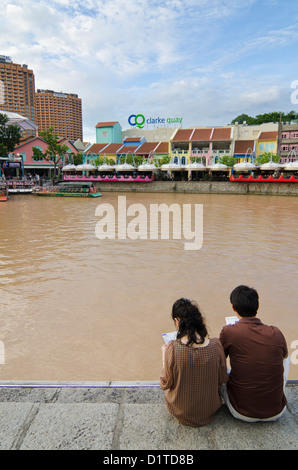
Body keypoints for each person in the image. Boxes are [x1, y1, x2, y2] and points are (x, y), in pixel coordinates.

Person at [220, 285, 289, 422]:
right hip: (277, 411)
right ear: (257, 307)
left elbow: (218, 360)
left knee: (216, 363)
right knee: (284, 358)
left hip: (240, 411)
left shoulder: (229, 331)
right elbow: (283, 358)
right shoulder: (276, 332)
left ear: (234, 308)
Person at [160, 298, 228, 427]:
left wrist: (164, 356)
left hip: (180, 412)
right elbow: (223, 379)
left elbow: (165, 383)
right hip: (210, 410)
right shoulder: (216, 345)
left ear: (177, 321)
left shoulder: (173, 348)